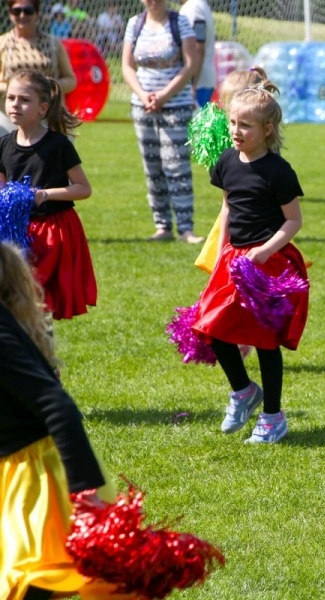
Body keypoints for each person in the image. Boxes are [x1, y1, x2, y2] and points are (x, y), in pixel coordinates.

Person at [0, 242, 129, 600]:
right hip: (13, 471)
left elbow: (57, 406)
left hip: (38, 478)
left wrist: (84, 492)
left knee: (27, 583)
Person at [191, 87, 309, 445]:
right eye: (233, 122)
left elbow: (293, 221)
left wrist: (264, 251)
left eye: (245, 125)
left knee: (264, 340)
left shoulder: (278, 171)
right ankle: (243, 391)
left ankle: (273, 417)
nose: (236, 131)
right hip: (234, 257)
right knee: (212, 325)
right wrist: (220, 253)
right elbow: (228, 208)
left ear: (267, 129)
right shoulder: (227, 161)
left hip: (269, 262)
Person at [0, 69, 95, 320]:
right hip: (16, 231)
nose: (15, 104)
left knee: (41, 301)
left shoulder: (58, 145)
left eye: (24, 100)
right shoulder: (4, 144)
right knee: (14, 299)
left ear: (42, 108)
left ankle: (41, 342)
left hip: (52, 231)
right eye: (11, 98)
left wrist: (44, 194)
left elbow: (83, 188)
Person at [122, 0, 203, 243]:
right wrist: (142, 95)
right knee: (152, 167)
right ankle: (162, 227)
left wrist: (165, 95)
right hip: (143, 107)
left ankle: (186, 229)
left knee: (177, 166)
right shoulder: (135, 24)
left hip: (176, 106)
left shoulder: (180, 23)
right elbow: (127, 66)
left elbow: (191, 64)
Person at [193, 66, 279, 275]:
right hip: (235, 221)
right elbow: (226, 193)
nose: (226, 108)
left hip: (262, 228)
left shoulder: (270, 157)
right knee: (227, 276)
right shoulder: (229, 149)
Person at [0, 0, 76, 135]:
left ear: (37, 13)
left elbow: (71, 80)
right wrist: (18, 89)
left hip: (49, 115)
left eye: (28, 11)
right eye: (16, 11)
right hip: (9, 118)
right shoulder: (2, 43)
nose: (22, 15)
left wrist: (48, 86)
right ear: (10, 14)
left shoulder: (53, 44)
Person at [179, 0, 215, 107]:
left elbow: (198, 48)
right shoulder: (198, 5)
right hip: (201, 80)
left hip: (198, 83)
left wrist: (193, 85)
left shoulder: (194, 8)